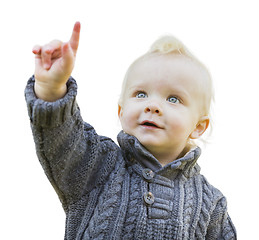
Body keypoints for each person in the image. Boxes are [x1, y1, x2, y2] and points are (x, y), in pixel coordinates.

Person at [25, 22, 236, 239]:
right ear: (121, 111)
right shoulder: (99, 165)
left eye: (174, 99)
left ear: (199, 126)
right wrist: (51, 88)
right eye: (141, 94)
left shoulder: (210, 205)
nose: (152, 105)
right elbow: (63, 142)